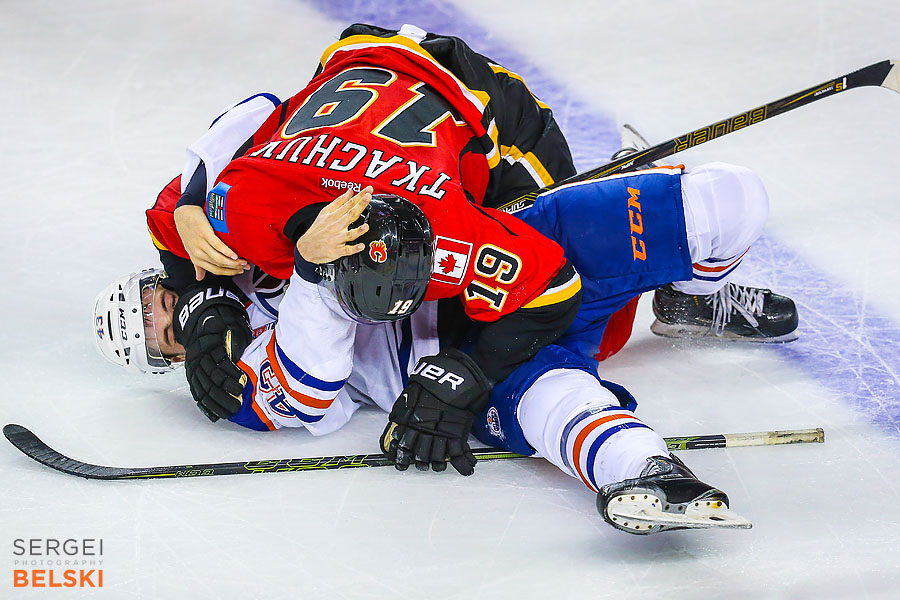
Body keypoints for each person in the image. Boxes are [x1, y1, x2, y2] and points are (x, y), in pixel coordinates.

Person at [94, 23, 798, 534]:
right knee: (554, 395)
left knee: (729, 200)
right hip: (463, 339)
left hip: (500, 270)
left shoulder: (250, 219)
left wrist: (460, 361)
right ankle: (650, 473)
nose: (170, 322)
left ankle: (686, 299)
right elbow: (305, 402)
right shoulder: (225, 277)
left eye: (154, 305)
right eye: (162, 342)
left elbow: (546, 282)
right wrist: (237, 271)